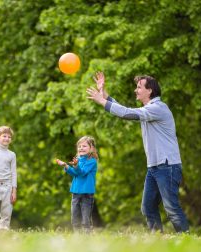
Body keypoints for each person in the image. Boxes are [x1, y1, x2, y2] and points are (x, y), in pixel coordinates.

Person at [86, 72, 189, 233]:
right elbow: (125, 110)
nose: (136, 90)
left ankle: (186, 240)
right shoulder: (148, 109)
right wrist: (104, 94)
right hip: (154, 167)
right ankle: (157, 240)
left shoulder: (158, 108)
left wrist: (102, 101)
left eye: (139, 87)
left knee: (171, 209)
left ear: (150, 91)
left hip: (167, 166)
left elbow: (128, 113)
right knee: (148, 208)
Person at [56, 136, 98, 233]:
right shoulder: (78, 160)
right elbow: (75, 173)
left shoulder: (92, 161)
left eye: (84, 146)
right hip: (76, 192)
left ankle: (87, 236)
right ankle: (77, 237)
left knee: (85, 219)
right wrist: (66, 166)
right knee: (75, 217)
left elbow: (82, 172)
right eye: (79, 146)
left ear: (91, 148)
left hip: (87, 193)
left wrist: (75, 165)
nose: (81, 148)